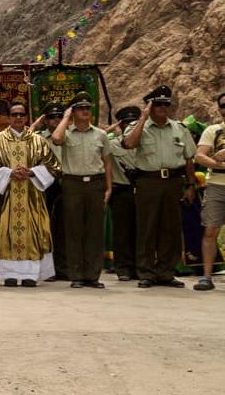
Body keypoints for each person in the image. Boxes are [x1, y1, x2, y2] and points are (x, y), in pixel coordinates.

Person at [121, 86, 197, 288]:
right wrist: (143, 118)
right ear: (149, 106)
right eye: (158, 104)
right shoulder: (139, 127)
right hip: (148, 181)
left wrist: (190, 185)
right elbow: (128, 144)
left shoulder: (179, 128)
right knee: (147, 228)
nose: (163, 107)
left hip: (173, 182)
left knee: (170, 229)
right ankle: (146, 272)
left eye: (166, 104)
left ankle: (166, 272)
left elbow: (189, 158)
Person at [0, 100, 60, 286]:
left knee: (34, 233)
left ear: (27, 117)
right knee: (5, 232)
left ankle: (30, 275)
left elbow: (54, 166)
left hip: (31, 196)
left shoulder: (38, 140)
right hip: (6, 197)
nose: (18, 118)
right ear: (9, 117)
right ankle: (9, 274)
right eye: (14, 114)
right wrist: (9, 173)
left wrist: (33, 172)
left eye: (21, 114)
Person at [51, 94, 113, 289]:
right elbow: (56, 138)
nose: (85, 111)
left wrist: (109, 187)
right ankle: (76, 274)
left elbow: (107, 162)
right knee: (74, 230)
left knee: (94, 230)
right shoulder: (66, 132)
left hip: (95, 183)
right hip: (73, 184)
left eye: (87, 108)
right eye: (80, 108)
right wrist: (65, 118)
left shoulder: (100, 134)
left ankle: (93, 275)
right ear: (73, 112)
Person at [193, 90, 225, 290]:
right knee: (211, 230)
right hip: (217, 185)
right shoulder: (213, 130)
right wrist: (218, 163)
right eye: (223, 105)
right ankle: (206, 277)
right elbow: (199, 156)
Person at [33, 103, 67, 279]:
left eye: (59, 116)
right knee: (47, 228)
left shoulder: (69, 135)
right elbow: (22, 141)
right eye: (52, 117)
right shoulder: (38, 137)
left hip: (67, 182)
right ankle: (49, 269)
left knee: (66, 227)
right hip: (46, 184)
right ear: (45, 119)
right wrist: (35, 124)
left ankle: (65, 268)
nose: (56, 120)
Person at [107, 106, 141, 281]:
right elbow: (95, 139)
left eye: (134, 123)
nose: (130, 126)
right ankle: (124, 268)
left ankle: (141, 267)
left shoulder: (144, 142)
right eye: (126, 122)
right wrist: (111, 128)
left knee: (142, 231)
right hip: (122, 191)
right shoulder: (112, 143)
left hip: (143, 191)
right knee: (122, 232)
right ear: (120, 125)